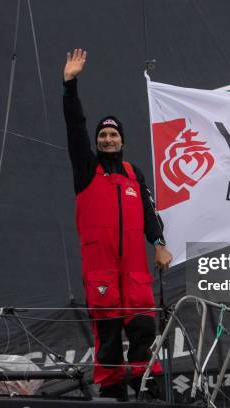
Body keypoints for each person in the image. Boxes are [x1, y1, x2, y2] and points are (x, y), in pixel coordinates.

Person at [63, 48, 173, 400]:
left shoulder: (133, 175)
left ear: (122, 140)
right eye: (102, 136)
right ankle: (113, 394)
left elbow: (150, 216)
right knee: (108, 337)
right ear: (97, 142)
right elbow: (74, 127)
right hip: (102, 273)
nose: (107, 140)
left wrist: (158, 244)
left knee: (143, 330)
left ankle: (147, 389)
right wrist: (70, 84)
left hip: (135, 272)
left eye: (113, 135)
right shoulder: (86, 170)